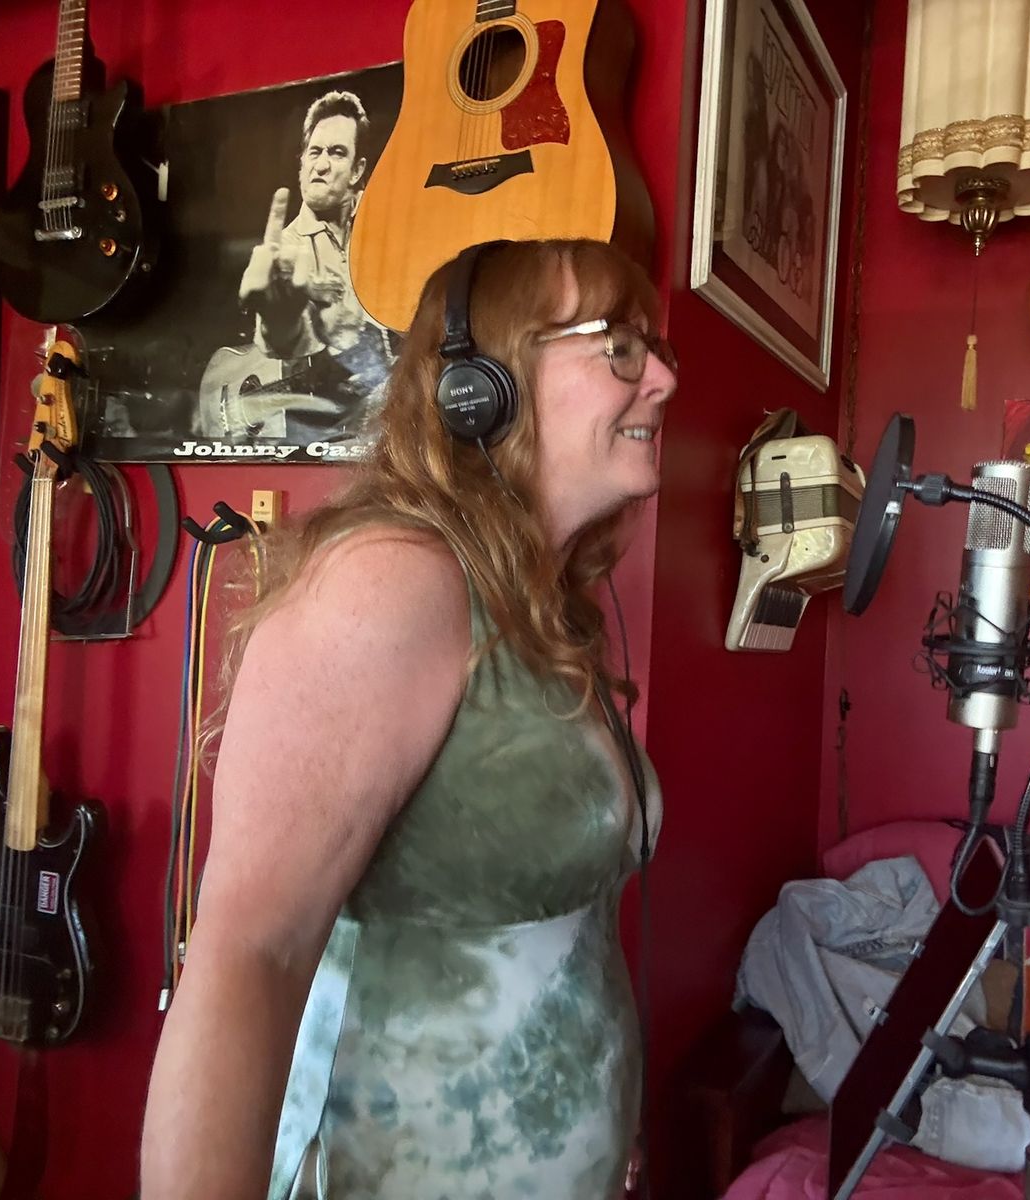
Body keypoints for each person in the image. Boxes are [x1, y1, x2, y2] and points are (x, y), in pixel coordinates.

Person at [143, 238, 677, 1199]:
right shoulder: (392, 583)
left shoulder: (546, 611)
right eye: (622, 347)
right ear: (483, 389)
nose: (665, 380)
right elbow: (248, 958)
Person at [198, 90, 400, 443]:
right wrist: (281, 323)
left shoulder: (388, 227)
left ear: (358, 170)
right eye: (314, 152)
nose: (321, 165)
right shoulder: (286, 250)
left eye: (337, 153)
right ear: (301, 163)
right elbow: (282, 336)